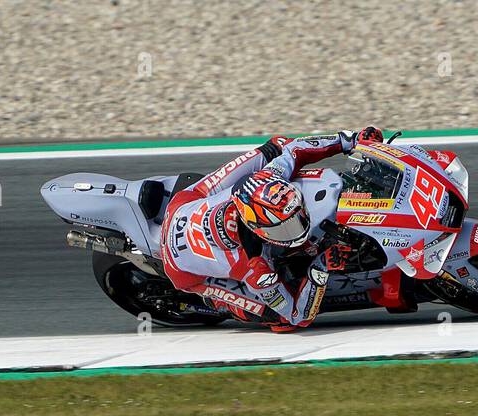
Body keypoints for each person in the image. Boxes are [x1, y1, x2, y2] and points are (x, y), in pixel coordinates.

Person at [160, 127, 384, 332]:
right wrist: (320, 268)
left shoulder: (269, 177)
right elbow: (298, 315)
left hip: (186, 202)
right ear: (259, 230)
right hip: (182, 270)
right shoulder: (255, 269)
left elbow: (294, 149)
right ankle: (214, 303)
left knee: (278, 145)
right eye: (284, 229)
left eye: (297, 217)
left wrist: (351, 141)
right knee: (282, 321)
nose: (297, 230)